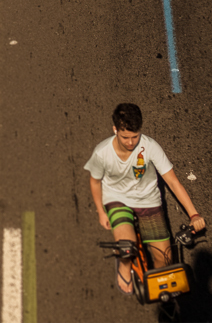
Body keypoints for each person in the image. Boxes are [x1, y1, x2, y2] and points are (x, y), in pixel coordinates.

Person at [84, 103, 205, 295]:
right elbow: (95, 181)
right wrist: (100, 211)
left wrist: (194, 214)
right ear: (115, 130)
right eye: (125, 137)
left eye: (135, 136)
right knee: (127, 247)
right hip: (117, 199)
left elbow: (173, 182)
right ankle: (124, 266)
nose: (131, 142)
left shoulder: (150, 146)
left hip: (148, 200)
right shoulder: (102, 152)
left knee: (165, 260)